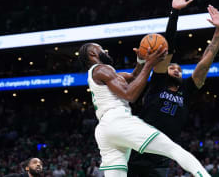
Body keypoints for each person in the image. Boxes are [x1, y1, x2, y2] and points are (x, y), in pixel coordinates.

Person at [128, 0, 219, 177]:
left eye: (179, 69)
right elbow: (168, 47)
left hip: (161, 157)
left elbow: (206, 61)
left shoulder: (187, 89)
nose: (176, 69)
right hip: (139, 148)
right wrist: (175, 13)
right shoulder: (158, 81)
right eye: (172, 66)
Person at [78, 41, 211, 176]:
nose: (105, 51)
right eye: (101, 49)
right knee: (174, 150)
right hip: (118, 121)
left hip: (105, 130)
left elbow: (134, 76)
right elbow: (130, 95)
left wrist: (141, 60)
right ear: (92, 53)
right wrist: (149, 64)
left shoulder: (108, 74)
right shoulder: (101, 69)